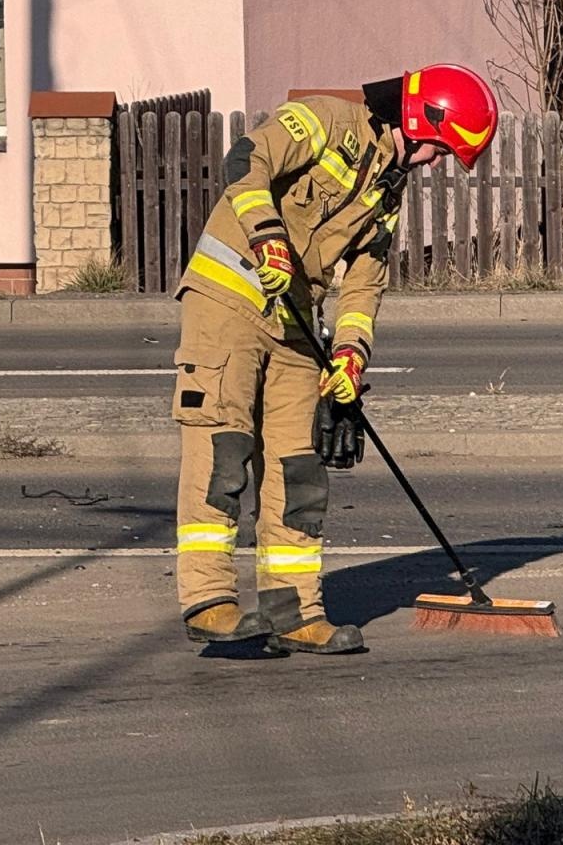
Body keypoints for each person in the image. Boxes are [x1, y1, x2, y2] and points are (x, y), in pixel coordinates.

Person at [171, 65, 499, 654]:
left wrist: (350, 355)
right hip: (228, 298)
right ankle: (209, 599)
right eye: (438, 148)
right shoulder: (325, 120)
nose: (434, 162)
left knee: (300, 469)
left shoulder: (388, 188)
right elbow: (246, 161)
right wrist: (268, 235)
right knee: (224, 448)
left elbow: (365, 283)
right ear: (419, 118)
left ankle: (293, 610)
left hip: (296, 320)